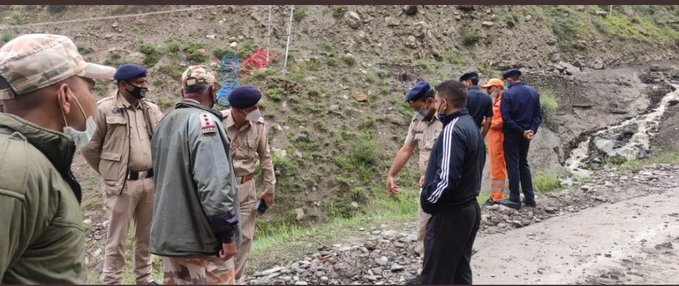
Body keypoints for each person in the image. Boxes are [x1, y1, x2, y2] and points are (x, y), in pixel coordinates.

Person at [0, 33, 115, 283]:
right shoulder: (14, 169)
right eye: (90, 88)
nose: (94, 101)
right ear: (65, 96)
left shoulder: (31, 160)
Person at [150, 65, 241, 285]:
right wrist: (227, 235)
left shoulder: (165, 122)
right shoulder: (205, 123)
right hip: (203, 241)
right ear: (212, 91)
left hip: (172, 238)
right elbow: (214, 185)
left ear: (183, 92)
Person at [81, 63, 163, 285]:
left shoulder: (151, 109)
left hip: (150, 181)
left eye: (145, 81)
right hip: (121, 185)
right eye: (139, 82)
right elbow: (89, 147)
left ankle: (145, 278)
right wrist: (110, 172)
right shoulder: (104, 109)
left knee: (145, 237)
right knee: (117, 239)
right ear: (123, 84)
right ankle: (112, 280)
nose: (144, 86)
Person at [420, 80, 484, 285]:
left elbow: (447, 179)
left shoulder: (452, 130)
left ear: (445, 103)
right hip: (469, 209)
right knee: (459, 272)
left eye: (437, 101)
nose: (435, 106)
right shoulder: (471, 125)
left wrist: (428, 200)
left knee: (435, 277)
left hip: (451, 214)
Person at [220, 85, 276, 283]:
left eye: (256, 107)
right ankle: (220, 277)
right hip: (221, 189)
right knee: (222, 236)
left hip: (246, 188)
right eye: (251, 109)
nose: (256, 112)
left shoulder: (259, 126)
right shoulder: (218, 121)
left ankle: (236, 278)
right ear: (237, 110)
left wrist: (269, 189)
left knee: (244, 238)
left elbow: (265, 158)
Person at [385, 80, 442, 260]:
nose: (417, 112)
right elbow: (407, 149)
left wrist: (433, 174)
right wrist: (391, 174)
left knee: (445, 228)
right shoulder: (417, 120)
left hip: (445, 182)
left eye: (419, 107)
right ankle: (426, 267)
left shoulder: (447, 120)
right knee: (424, 225)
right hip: (426, 184)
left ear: (430, 100)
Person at [497, 69, 543, 210]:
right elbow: (538, 115)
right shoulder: (533, 92)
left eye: (506, 81)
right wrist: (531, 131)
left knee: (513, 165)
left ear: (510, 79)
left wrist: (520, 131)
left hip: (512, 134)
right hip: (527, 135)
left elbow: (506, 117)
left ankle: (515, 198)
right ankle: (530, 198)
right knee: (523, 163)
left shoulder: (508, 94)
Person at [481, 78, 508, 205]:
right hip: (493, 137)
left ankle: (497, 197)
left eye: (489, 88)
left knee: (498, 167)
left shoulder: (503, 102)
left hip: (498, 138)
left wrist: (487, 123)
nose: (487, 91)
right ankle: (495, 195)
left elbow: (501, 121)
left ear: (497, 88)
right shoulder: (497, 101)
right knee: (495, 166)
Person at [459, 71, 493, 136]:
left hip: (462, 133)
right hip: (476, 134)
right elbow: (489, 120)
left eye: (464, 82)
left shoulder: (464, 96)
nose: (464, 85)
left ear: (469, 82)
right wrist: (482, 136)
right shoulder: (487, 98)